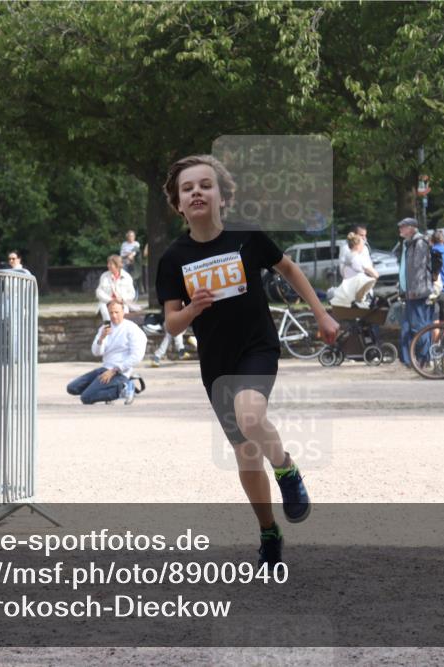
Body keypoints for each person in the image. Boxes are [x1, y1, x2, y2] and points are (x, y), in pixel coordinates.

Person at [155, 154, 339, 567]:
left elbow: (288, 268)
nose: (197, 192)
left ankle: (288, 471)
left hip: (257, 347)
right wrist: (192, 309)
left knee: (252, 416)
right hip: (216, 362)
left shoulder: (246, 236)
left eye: (206, 185)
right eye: (188, 188)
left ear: (223, 196)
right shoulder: (172, 258)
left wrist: (321, 313)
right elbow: (171, 324)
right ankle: (268, 532)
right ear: (178, 204)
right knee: (244, 452)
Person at [67, 301, 146, 405]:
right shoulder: (105, 328)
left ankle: (124, 388)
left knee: (86, 398)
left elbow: (137, 356)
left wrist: (114, 370)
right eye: (111, 313)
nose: (113, 315)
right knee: (72, 388)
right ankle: (110, 390)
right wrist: (102, 337)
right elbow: (96, 352)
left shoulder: (132, 329)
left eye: (116, 312)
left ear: (123, 312)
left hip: (120, 372)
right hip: (104, 369)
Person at [392, 218, 435, 367]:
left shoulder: (420, 243)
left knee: (419, 327)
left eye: (403, 227)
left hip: (417, 292)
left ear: (412, 228)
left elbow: (419, 269)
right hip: (408, 292)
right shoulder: (406, 244)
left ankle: (424, 359)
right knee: (406, 328)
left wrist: (415, 291)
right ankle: (407, 361)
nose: (400, 229)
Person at [95, 254, 137, 322]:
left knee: (125, 311)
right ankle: (107, 328)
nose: (108, 266)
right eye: (108, 263)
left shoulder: (127, 277)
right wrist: (110, 300)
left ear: (117, 265)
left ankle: (122, 330)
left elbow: (132, 294)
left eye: (111, 264)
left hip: (122, 303)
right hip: (106, 302)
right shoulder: (104, 276)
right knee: (104, 310)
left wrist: (122, 299)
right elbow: (99, 292)